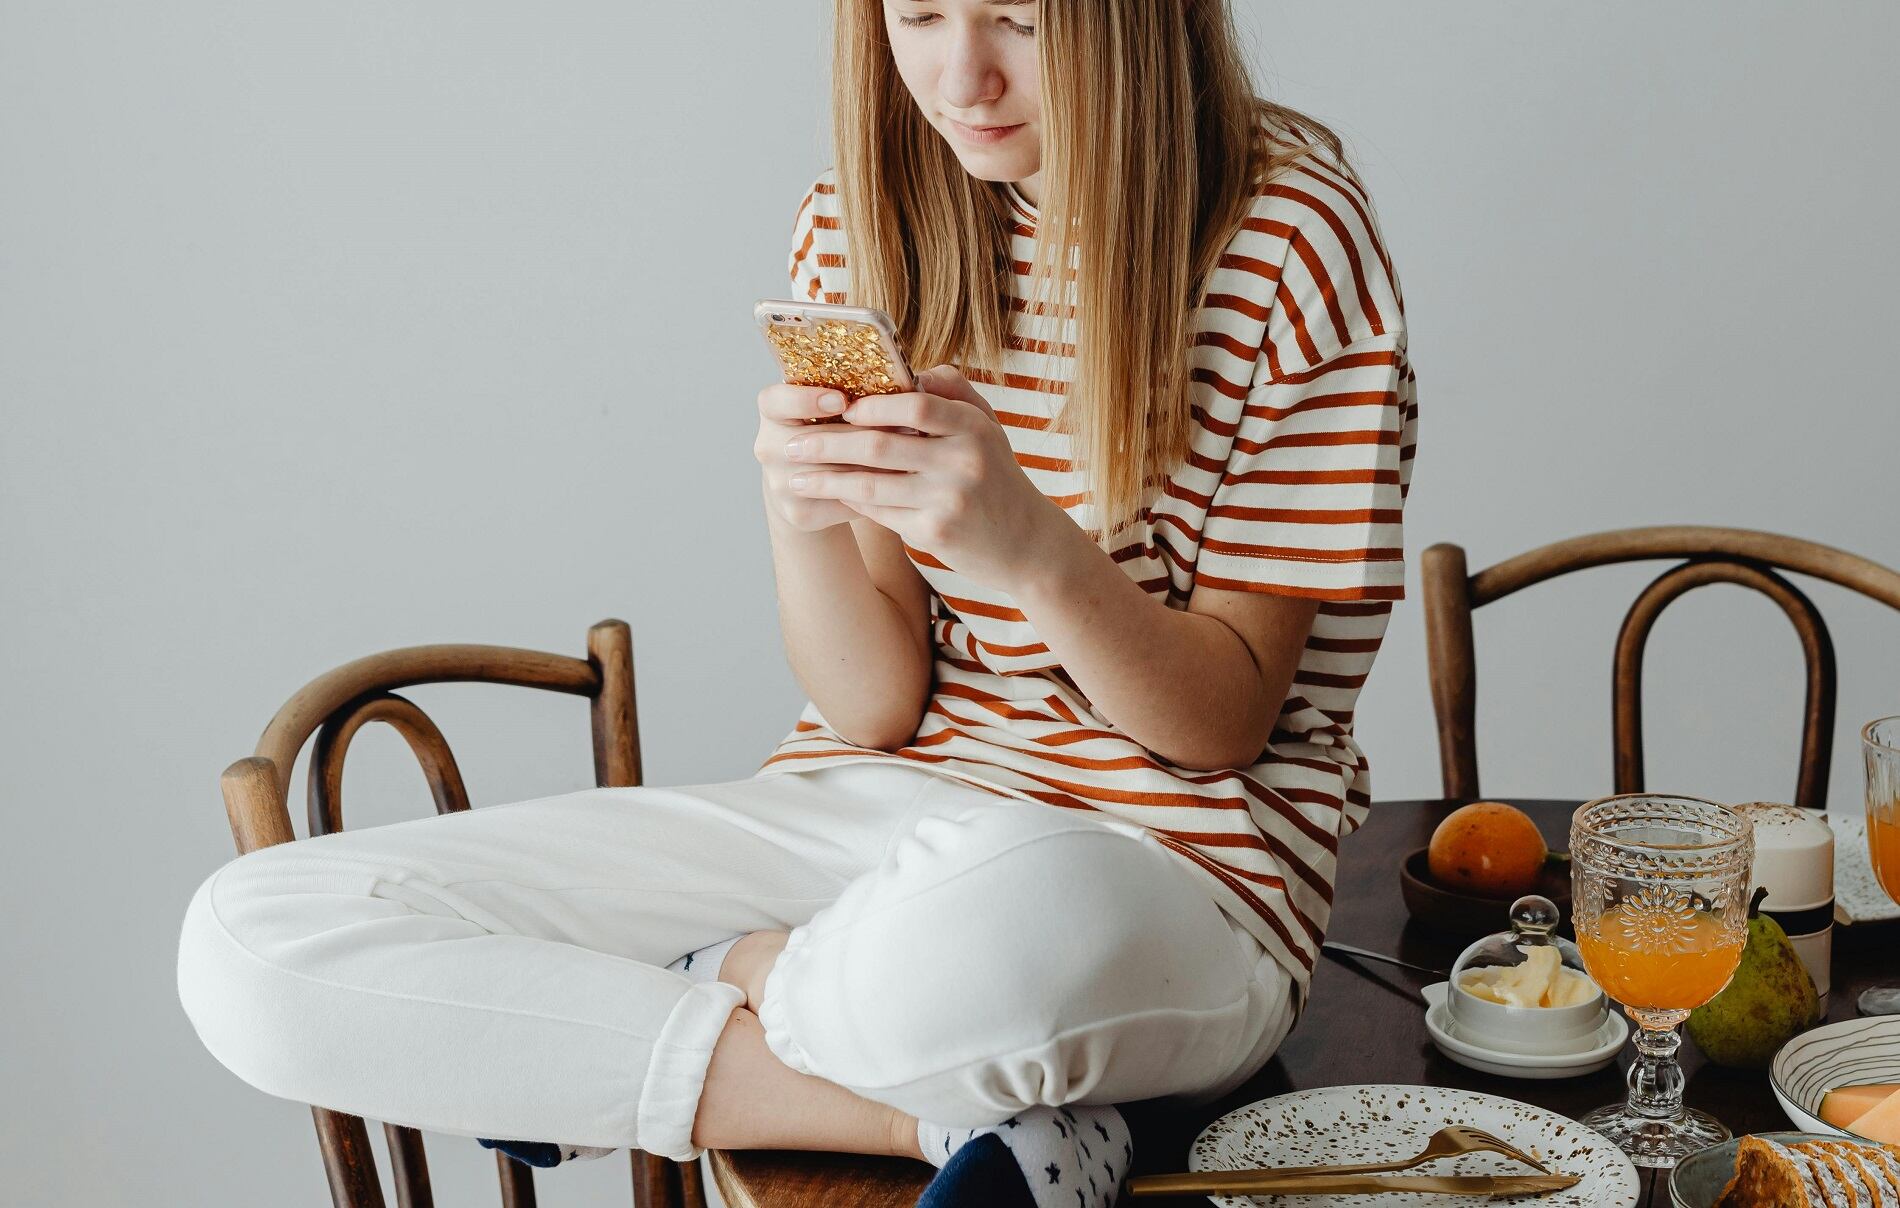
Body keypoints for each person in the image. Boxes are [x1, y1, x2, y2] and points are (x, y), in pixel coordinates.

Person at [175, 1, 1417, 1205]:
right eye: (917, 16)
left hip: (1170, 866)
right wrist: (798, 504)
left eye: (1020, 23)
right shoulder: (867, 217)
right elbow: (874, 707)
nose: (961, 80)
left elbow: (1220, 724)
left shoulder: (1289, 237)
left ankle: (702, 984)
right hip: (872, 818)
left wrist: (1031, 549)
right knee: (249, 943)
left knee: (995, 927)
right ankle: (932, 1114)